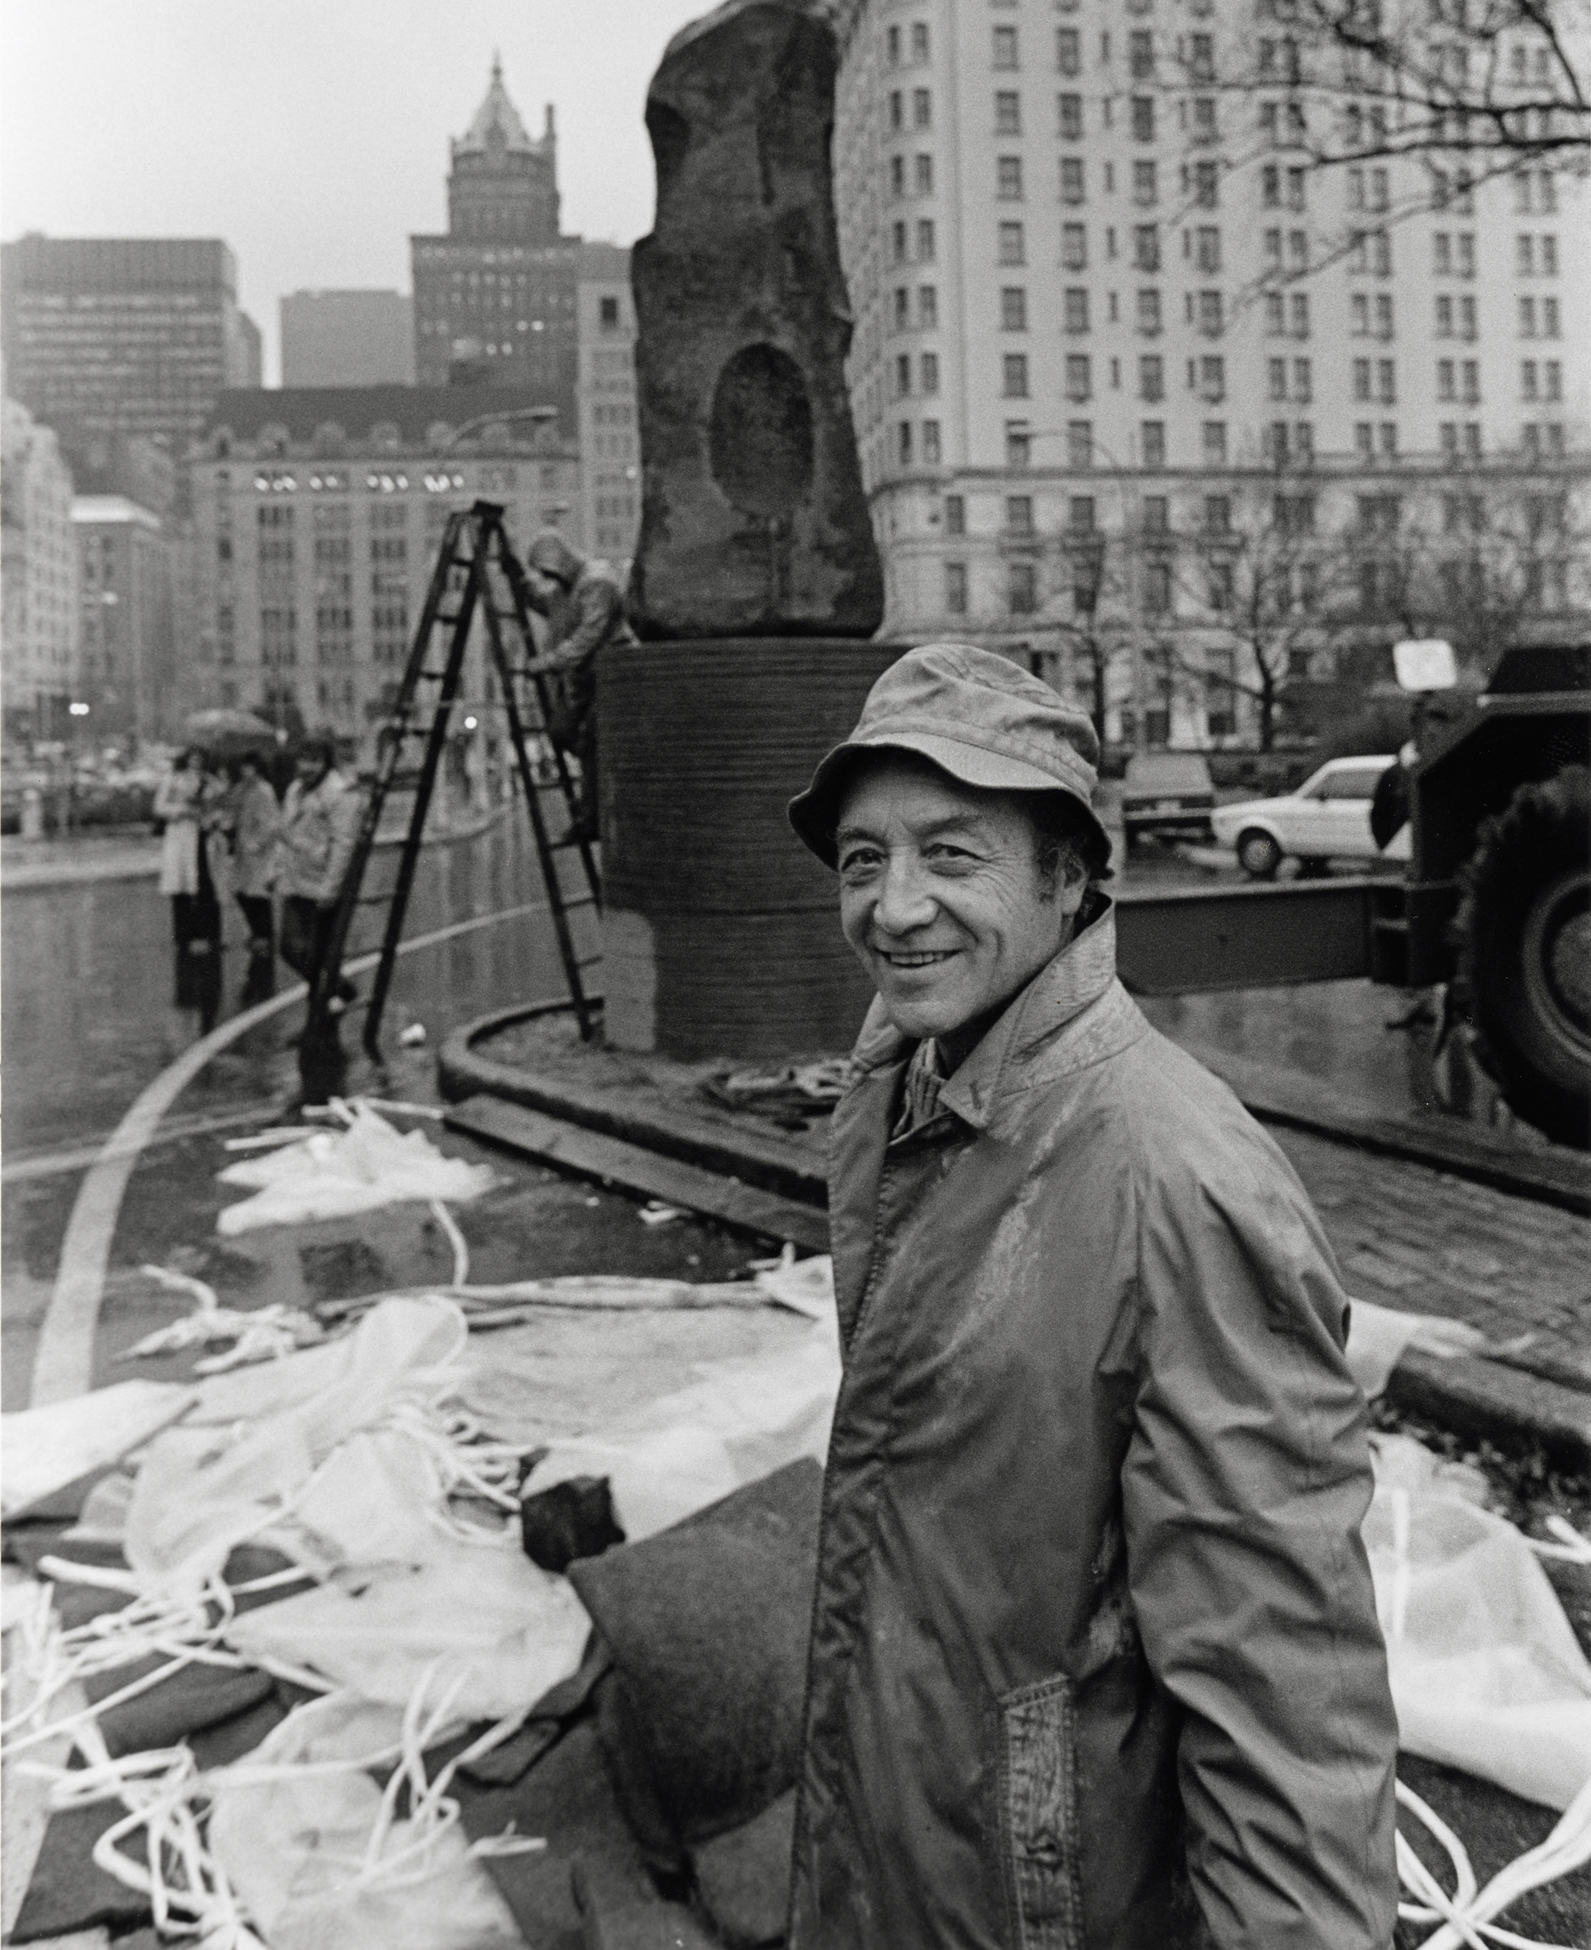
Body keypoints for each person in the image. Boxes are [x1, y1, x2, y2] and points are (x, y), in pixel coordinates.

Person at [783, 643, 1398, 1949]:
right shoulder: (909, 1094)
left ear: (1066, 879)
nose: (893, 906)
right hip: (910, 1860)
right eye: (860, 859)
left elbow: (1280, 1689)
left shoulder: (1173, 1182)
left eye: (950, 855)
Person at [519, 528, 635, 843]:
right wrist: (520, 582)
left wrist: (548, 661)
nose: (548, 578)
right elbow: (547, 603)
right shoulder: (565, 590)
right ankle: (594, 781)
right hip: (581, 681)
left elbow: (589, 635)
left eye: (548, 571)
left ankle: (591, 817)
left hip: (610, 677)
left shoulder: (597, 582)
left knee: (594, 743)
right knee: (562, 731)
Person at [277, 731, 363, 1014]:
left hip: (321, 882)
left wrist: (331, 887)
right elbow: (286, 833)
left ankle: (321, 1013)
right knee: (290, 948)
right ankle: (338, 989)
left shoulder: (339, 792)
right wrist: (276, 869)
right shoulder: (295, 790)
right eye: (303, 759)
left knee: (318, 953)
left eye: (314, 761)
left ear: (327, 762)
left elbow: (344, 844)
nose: (307, 767)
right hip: (295, 881)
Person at [154, 747, 226, 1027]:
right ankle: (183, 936)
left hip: (203, 837)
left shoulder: (211, 781)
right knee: (181, 891)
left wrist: (212, 814)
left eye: (201, 759)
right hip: (181, 837)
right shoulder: (173, 779)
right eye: (193, 759)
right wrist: (182, 810)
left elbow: (221, 806)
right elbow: (160, 807)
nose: (196, 763)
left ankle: (209, 935)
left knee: (207, 889)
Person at [227, 750, 282, 961]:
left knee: (258, 894)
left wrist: (257, 843)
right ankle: (257, 932)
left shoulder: (264, 790)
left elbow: (272, 823)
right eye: (244, 767)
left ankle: (264, 936)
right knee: (241, 892)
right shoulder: (242, 788)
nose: (246, 771)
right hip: (243, 849)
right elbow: (231, 809)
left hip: (259, 850)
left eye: (250, 767)